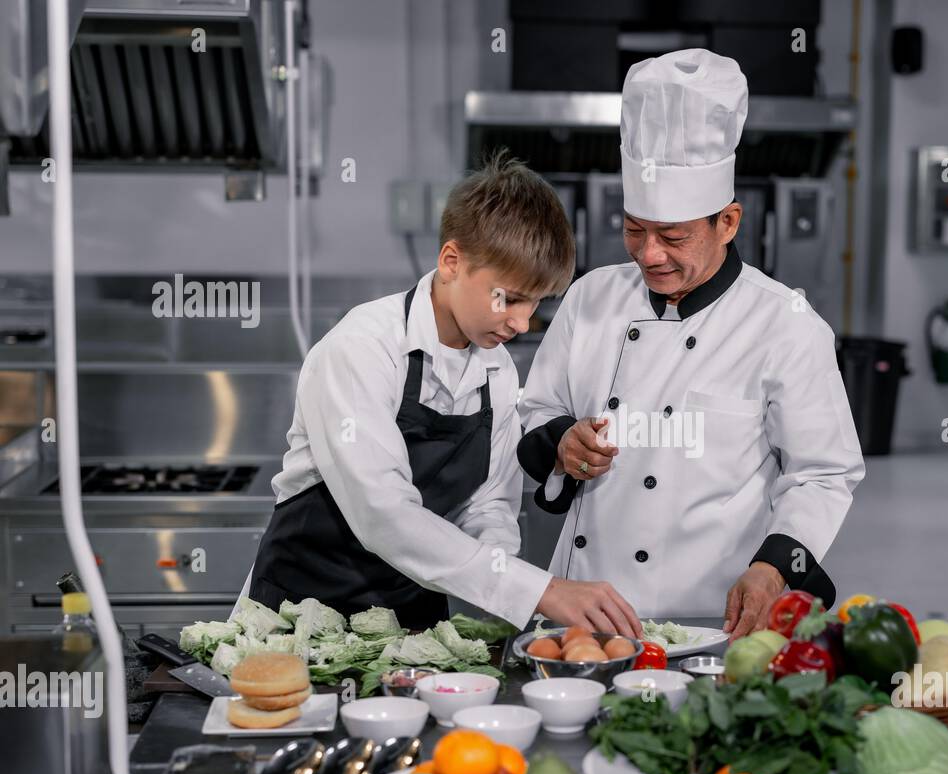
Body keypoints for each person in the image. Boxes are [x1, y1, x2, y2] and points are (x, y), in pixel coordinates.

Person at [517, 49, 865, 638]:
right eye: (633, 230)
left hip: (717, 610)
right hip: (592, 608)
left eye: (672, 237)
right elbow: (536, 413)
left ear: (727, 223)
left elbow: (822, 474)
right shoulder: (590, 299)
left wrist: (775, 569)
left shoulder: (785, 324)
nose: (649, 254)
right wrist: (562, 445)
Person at [241, 152, 641, 636]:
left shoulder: (498, 372)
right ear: (452, 262)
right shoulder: (361, 349)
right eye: (509, 298)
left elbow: (488, 506)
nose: (521, 322)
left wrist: (504, 586)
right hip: (294, 622)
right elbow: (383, 515)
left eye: (536, 303)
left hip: (411, 633)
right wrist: (538, 590)